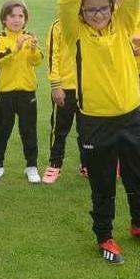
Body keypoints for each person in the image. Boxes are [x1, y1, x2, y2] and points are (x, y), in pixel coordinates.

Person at [58, 0, 140, 265]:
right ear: (82, 13)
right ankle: (105, 236)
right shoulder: (74, 32)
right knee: (103, 184)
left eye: (103, 8)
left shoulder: (122, 23)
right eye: (91, 10)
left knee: (139, 175)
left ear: (112, 6)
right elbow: (65, 1)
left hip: (132, 116)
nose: (98, 14)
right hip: (95, 122)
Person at [0, 0, 43, 185]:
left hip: (27, 92)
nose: (17, 19)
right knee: (1, 131)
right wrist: (16, 47)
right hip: (5, 93)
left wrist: (34, 49)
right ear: (4, 19)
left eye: (21, 16)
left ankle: (32, 166)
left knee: (28, 131)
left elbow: (37, 61)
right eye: (12, 16)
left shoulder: (29, 36)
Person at [42, 17, 85, 184]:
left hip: (87, 87)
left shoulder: (89, 23)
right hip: (65, 87)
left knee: (87, 129)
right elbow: (53, 57)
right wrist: (56, 85)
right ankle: (55, 164)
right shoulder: (58, 26)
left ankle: (87, 163)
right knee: (60, 129)